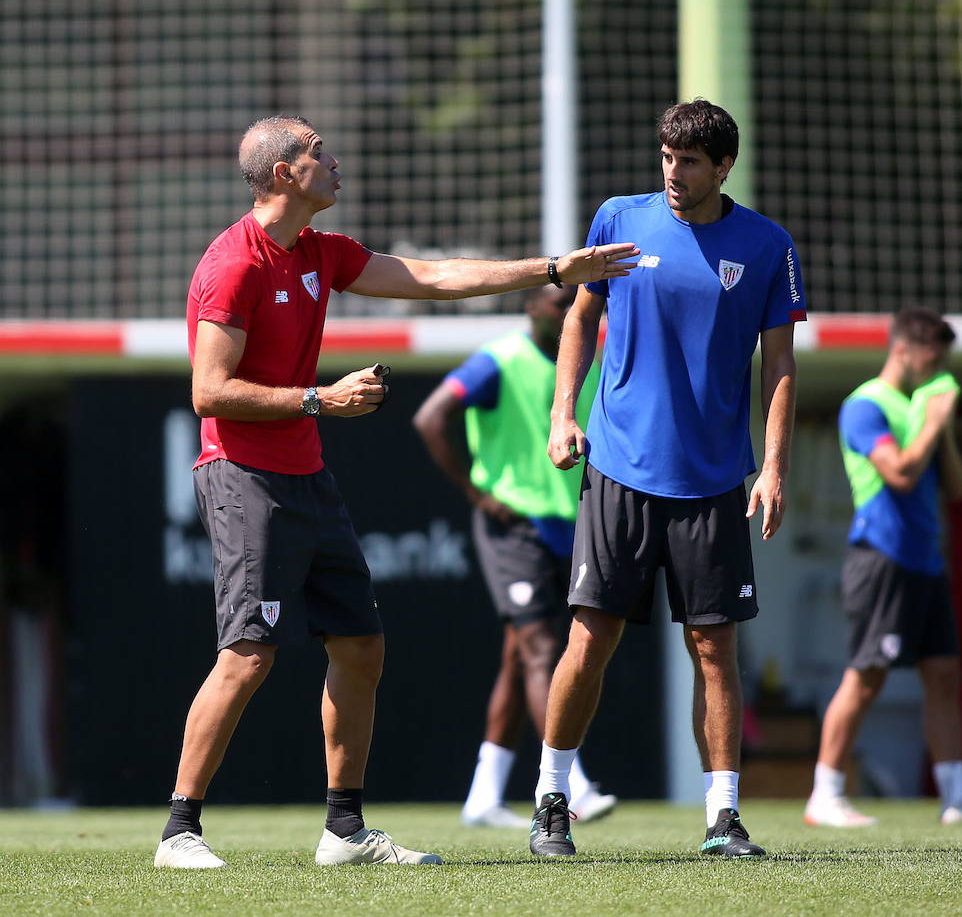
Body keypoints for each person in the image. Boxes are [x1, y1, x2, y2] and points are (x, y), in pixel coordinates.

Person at [154, 115, 637, 869]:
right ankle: (179, 832)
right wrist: (322, 399)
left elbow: (435, 277)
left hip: (306, 474)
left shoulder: (321, 252)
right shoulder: (231, 264)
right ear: (284, 174)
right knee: (248, 653)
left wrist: (552, 270)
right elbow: (209, 392)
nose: (335, 162)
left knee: (360, 645)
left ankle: (344, 831)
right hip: (243, 475)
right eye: (319, 154)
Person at [525, 99, 805, 859]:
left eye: (689, 161)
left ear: (723, 167)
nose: (674, 174)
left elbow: (778, 366)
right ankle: (553, 799)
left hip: (713, 480)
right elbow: (580, 318)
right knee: (590, 639)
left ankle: (723, 817)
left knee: (715, 650)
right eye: (666, 157)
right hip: (618, 469)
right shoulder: (619, 217)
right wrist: (563, 414)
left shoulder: (767, 245)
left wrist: (774, 465)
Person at [412, 285, 617, 828]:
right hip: (515, 526)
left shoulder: (592, 359)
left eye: (575, 303)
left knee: (519, 655)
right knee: (541, 648)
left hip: (573, 525)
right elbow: (431, 418)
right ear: (530, 308)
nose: (568, 311)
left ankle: (484, 794)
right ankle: (572, 784)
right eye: (557, 303)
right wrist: (478, 494)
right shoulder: (499, 360)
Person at [805, 308, 962, 829]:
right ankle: (825, 794)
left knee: (944, 675)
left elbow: (958, 488)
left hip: (926, 560)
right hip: (881, 558)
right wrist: (935, 420)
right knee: (867, 675)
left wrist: (942, 431)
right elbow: (897, 472)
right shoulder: (864, 406)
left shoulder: (921, 405)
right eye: (933, 359)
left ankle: (956, 798)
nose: (939, 370)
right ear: (903, 350)